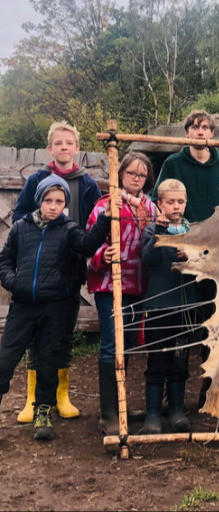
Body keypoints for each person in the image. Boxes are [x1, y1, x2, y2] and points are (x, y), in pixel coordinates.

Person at [0, 175, 111, 441]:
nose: (53, 206)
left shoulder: (69, 229)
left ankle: (43, 414)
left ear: (65, 205)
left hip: (55, 308)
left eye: (59, 201)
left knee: (49, 362)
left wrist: (106, 219)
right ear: (39, 201)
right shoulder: (20, 228)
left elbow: (88, 244)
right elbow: (5, 259)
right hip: (23, 306)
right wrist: (13, 282)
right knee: (5, 361)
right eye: (48, 200)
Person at [12, 121, 102, 423]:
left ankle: (61, 395)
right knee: (35, 337)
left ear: (76, 148)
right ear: (50, 148)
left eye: (69, 143)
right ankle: (32, 398)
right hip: (40, 267)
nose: (64, 147)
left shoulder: (87, 182)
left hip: (69, 268)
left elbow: (94, 221)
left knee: (61, 334)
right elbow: (20, 215)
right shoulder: (38, 178)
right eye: (58, 143)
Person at [151, 110, 219, 409]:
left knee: (216, 322)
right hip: (185, 251)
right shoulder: (174, 163)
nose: (201, 132)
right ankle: (171, 395)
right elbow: (156, 198)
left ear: (212, 133)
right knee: (185, 323)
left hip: (217, 254)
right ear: (187, 133)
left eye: (206, 128)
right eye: (196, 127)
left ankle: (210, 389)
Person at [87, 151, 157, 435]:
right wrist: (104, 255)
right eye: (131, 173)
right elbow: (90, 240)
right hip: (110, 286)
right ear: (121, 174)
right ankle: (108, 414)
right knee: (110, 345)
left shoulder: (151, 208)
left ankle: (121, 404)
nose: (137, 179)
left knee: (126, 344)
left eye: (141, 175)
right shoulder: (106, 206)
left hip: (138, 285)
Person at [141, 179, 196, 434]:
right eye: (170, 202)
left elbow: (204, 267)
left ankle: (176, 410)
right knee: (157, 360)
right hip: (158, 306)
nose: (176, 206)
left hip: (184, 307)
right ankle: (152, 413)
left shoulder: (192, 232)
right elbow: (148, 259)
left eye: (180, 202)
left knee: (179, 360)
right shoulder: (152, 229)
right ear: (159, 204)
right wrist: (159, 237)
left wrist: (193, 257)